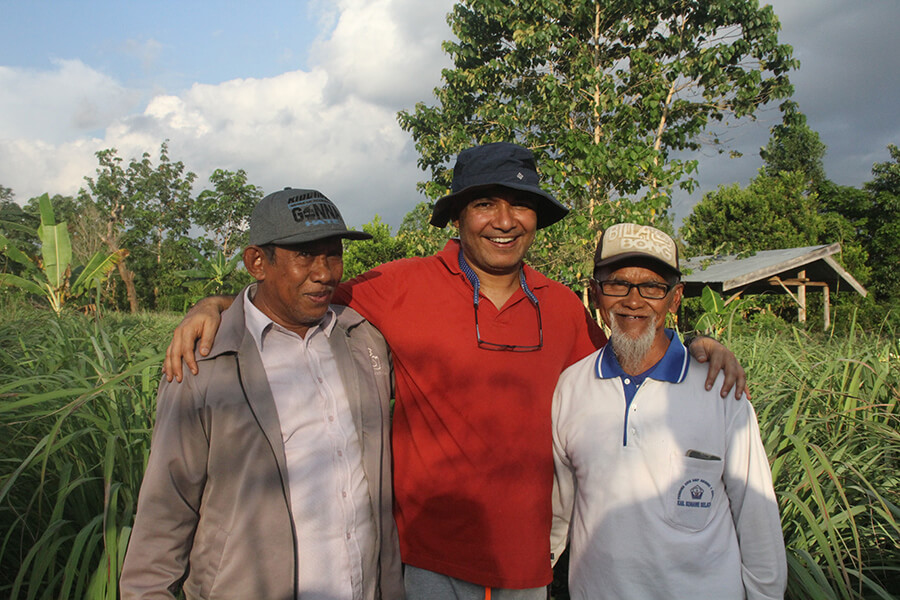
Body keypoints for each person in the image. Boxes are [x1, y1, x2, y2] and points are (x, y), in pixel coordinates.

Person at [164, 143, 747, 599]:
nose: (504, 219)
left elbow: (626, 359)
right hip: (420, 562)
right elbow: (292, 296)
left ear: (536, 217)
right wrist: (214, 305)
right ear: (459, 215)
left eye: (519, 203)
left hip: (526, 564)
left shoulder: (564, 307)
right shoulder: (398, 286)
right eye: (483, 203)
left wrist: (695, 340)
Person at [120, 189, 403, 600]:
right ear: (257, 262)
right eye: (304, 255)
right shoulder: (206, 364)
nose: (325, 273)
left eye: (333, 254)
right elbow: (165, 513)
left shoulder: (363, 341)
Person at [551, 223, 786, 599]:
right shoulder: (572, 387)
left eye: (652, 287)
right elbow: (558, 511)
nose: (633, 300)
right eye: (617, 284)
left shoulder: (720, 388)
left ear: (674, 299)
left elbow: (756, 516)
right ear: (596, 294)